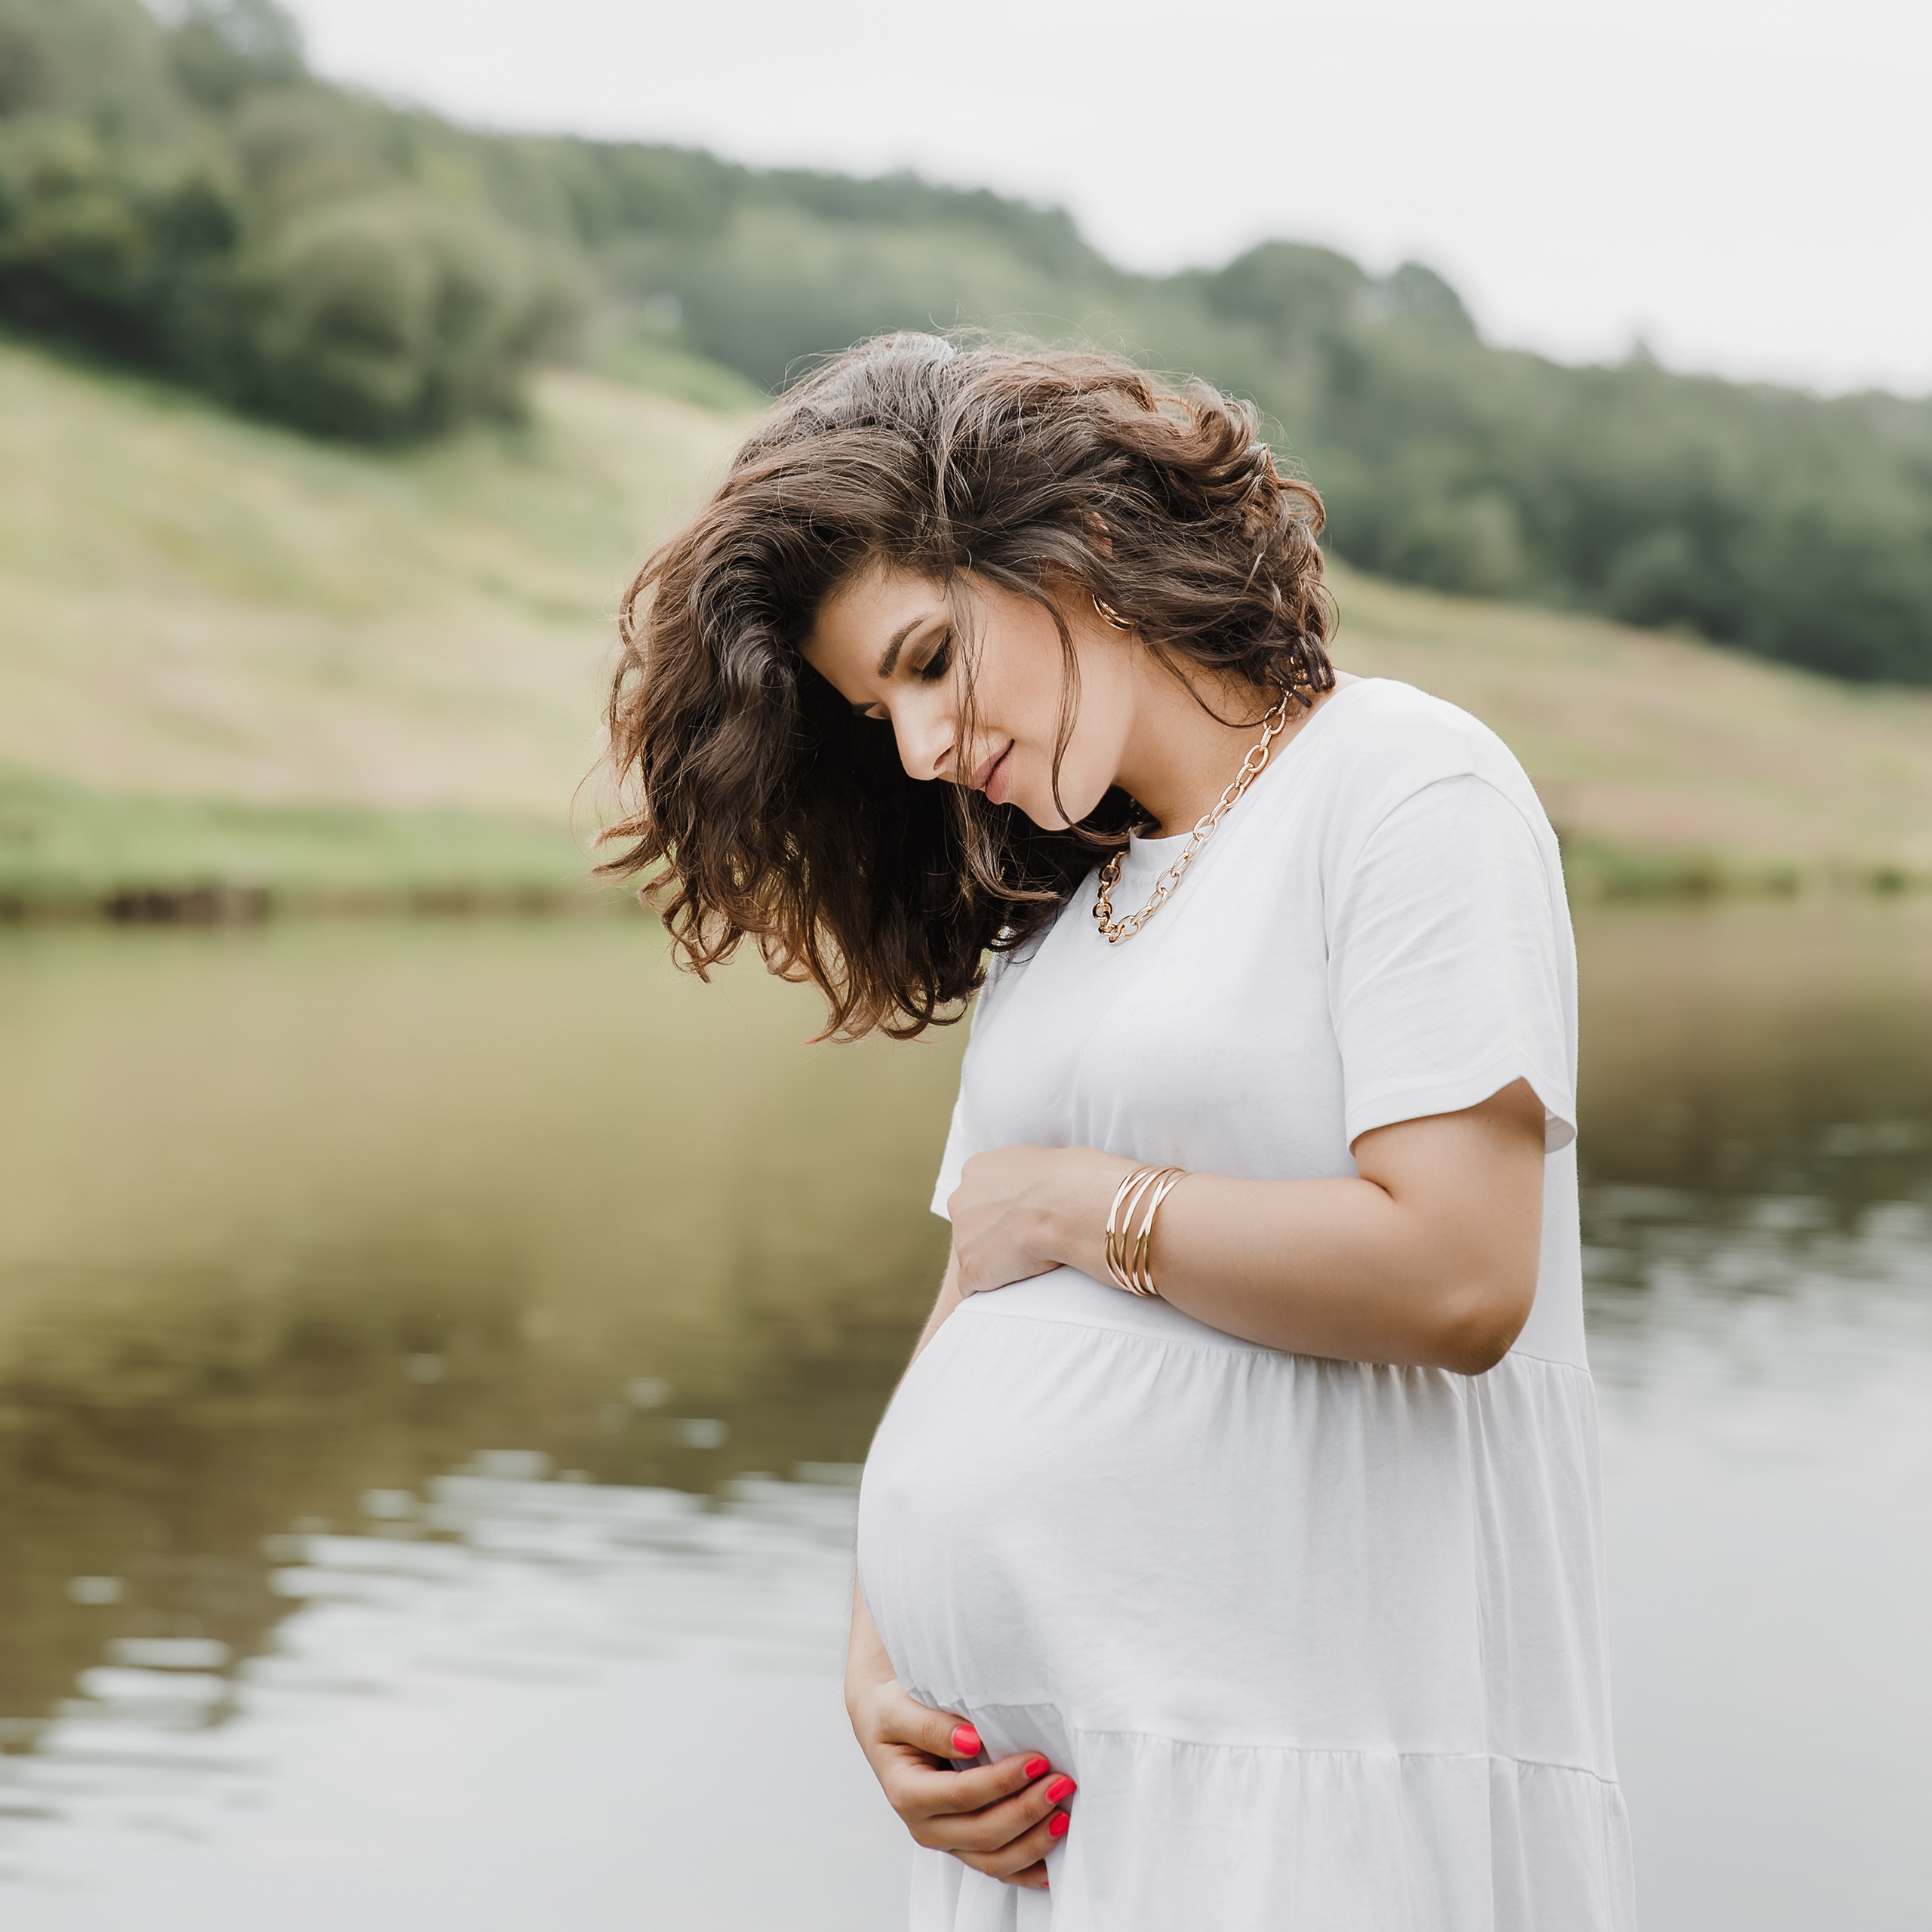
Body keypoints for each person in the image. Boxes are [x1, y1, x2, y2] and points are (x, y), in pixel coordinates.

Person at [598, 334, 1635, 1930]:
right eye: (877, 710)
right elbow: (976, 1297)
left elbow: (1455, 1274)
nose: (922, 747)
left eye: (930, 661)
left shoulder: (1402, 786)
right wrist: (879, 1665)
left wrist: (1093, 1205)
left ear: (1063, 544)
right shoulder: (1062, 920)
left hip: (1314, 1787)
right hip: (1066, 1818)